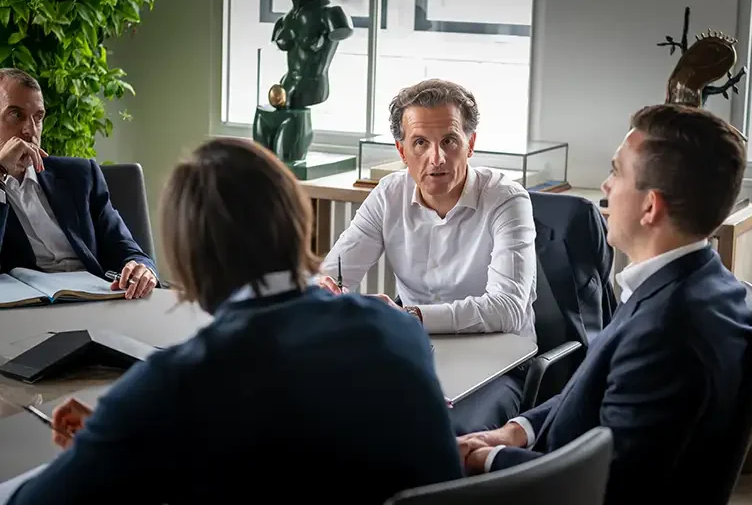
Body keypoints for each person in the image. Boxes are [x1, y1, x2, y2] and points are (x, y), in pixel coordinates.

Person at [1, 138, 463, 504]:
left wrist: (121, 433)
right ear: (299, 220)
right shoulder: (398, 328)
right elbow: (308, 447)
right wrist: (132, 431)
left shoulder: (176, 381)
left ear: (189, 258)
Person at [457, 104, 752, 504]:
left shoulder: (668, 330)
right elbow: (591, 390)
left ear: (650, 207)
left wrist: (489, 461)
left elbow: (610, 485)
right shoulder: (694, 283)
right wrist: (517, 431)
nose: (605, 186)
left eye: (617, 172)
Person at [318, 78, 538, 432]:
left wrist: (412, 316)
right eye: (420, 143)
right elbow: (331, 273)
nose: (436, 158)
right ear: (402, 151)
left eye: (449, 141)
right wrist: (325, 292)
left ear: (471, 144)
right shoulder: (389, 193)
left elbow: (509, 309)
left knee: (453, 438)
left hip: (498, 361)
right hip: (414, 354)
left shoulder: (506, 199)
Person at [0, 68, 156, 299]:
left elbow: (126, 248)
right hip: (22, 313)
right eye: (16, 115)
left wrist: (142, 268)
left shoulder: (80, 175)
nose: (31, 130)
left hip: (95, 300)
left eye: (38, 117)